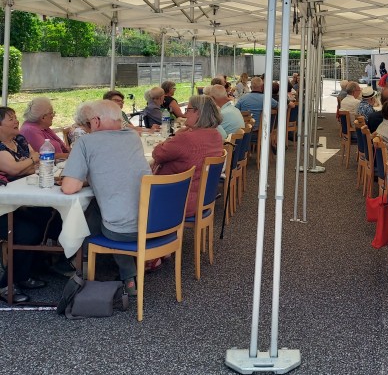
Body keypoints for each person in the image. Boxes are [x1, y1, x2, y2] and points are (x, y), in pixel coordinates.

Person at [62, 100, 151, 296]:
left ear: (95, 121)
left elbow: (69, 188)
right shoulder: (133, 137)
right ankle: (128, 276)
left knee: (95, 211)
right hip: (154, 224)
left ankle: (75, 262)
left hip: (122, 231)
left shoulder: (86, 142)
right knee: (106, 206)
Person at [0, 106, 47, 302]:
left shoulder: (19, 140)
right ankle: (6, 285)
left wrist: (27, 164)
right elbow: (13, 169)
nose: (16, 121)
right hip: (3, 206)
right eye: (10, 118)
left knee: (45, 218)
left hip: (17, 201)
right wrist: (30, 161)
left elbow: (37, 164)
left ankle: (25, 273)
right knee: (26, 232)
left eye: (15, 117)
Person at [152, 95, 224, 219]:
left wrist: (172, 138)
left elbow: (157, 154)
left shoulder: (186, 138)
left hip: (177, 200)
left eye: (188, 110)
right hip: (203, 197)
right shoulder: (216, 135)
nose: (185, 114)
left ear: (198, 112)